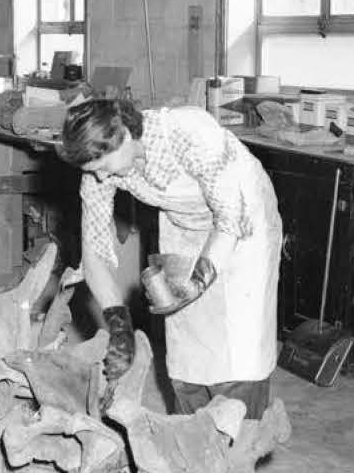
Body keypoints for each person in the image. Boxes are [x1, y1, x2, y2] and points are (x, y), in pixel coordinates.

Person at [59, 96, 283, 419]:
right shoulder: (97, 169)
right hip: (184, 221)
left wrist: (197, 284)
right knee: (187, 345)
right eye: (94, 172)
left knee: (238, 347)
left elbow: (229, 221)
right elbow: (93, 253)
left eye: (104, 168)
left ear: (122, 135)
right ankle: (189, 438)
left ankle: (239, 439)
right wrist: (120, 329)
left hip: (242, 221)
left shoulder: (189, 133)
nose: (103, 179)